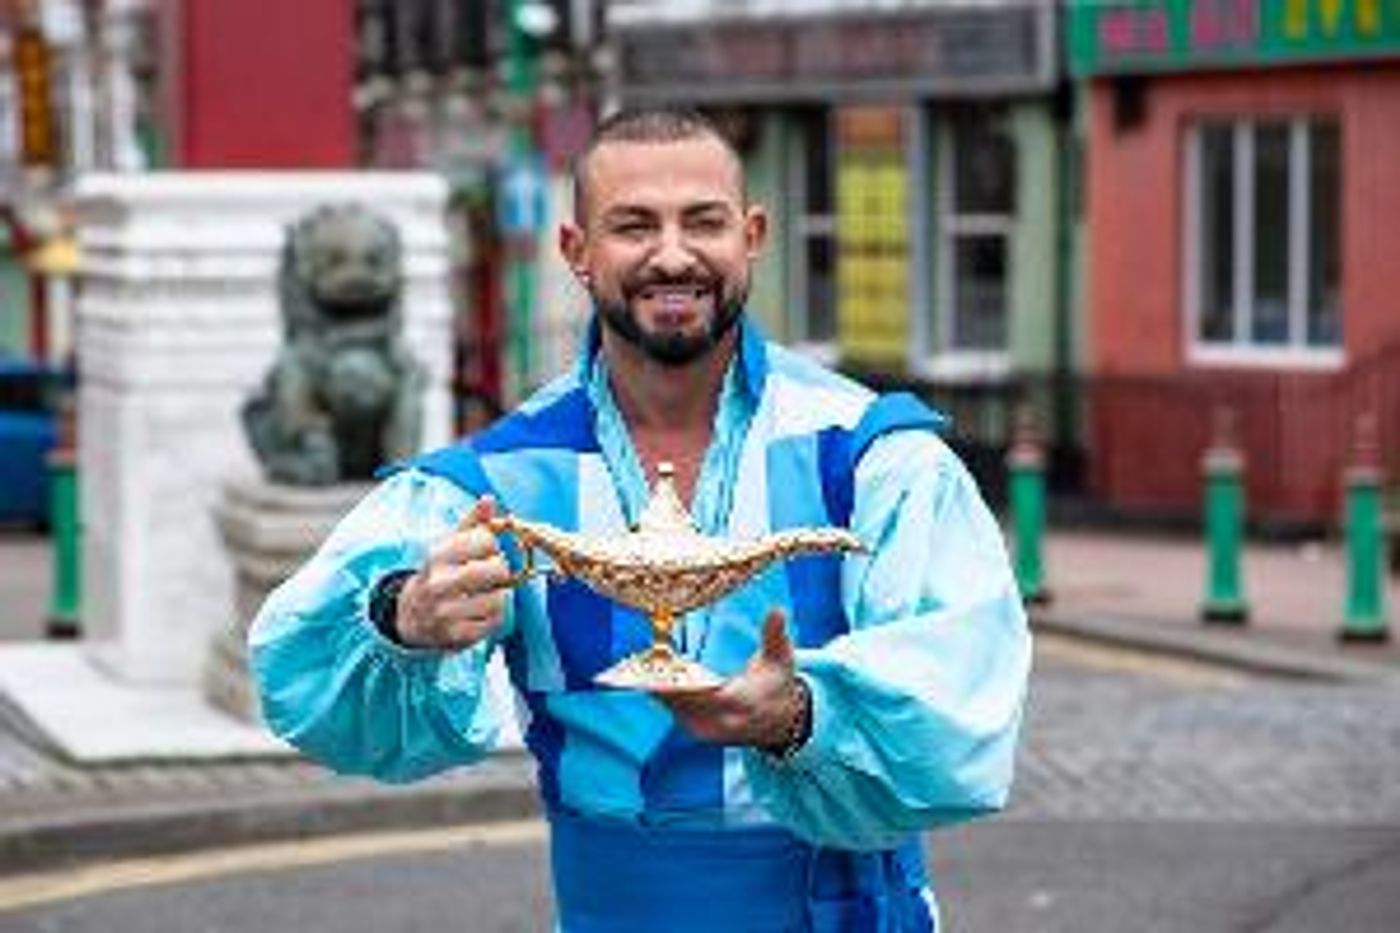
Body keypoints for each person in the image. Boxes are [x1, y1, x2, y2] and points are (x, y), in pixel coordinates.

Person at [250, 106, 1031, 932]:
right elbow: (305, 677)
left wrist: (801, 714)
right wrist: (402, 616)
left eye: (704, 222)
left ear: (752, 237)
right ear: (576, 251)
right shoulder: (492, 481)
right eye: (634, 226)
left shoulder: (873, 457)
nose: (673, 254)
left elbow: (963, 699)